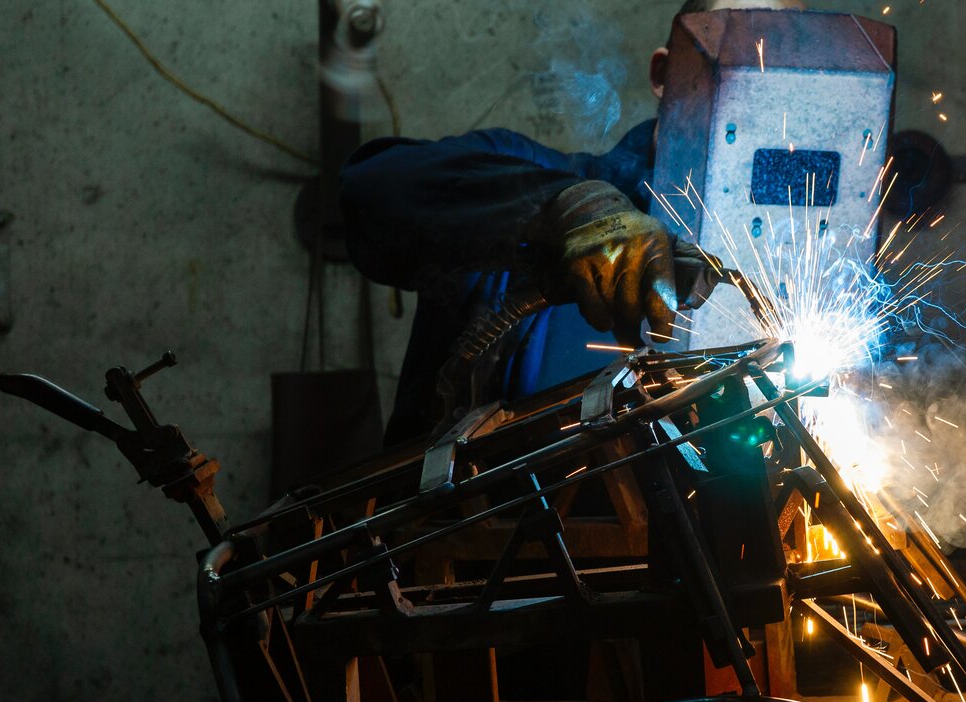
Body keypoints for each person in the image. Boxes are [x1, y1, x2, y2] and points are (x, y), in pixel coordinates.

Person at [340, 0, 806, 444]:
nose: (758, 78)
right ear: (665, 74)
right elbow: (371, 189)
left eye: (792, 64)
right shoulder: (531, 175)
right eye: (737, 45)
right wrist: (562, 211)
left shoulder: (809, 259)